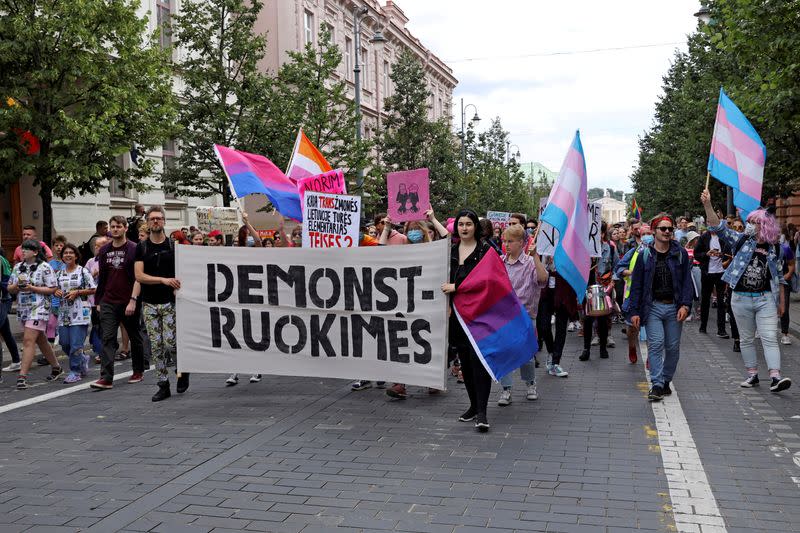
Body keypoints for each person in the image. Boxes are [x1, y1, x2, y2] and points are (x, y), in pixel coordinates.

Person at [700, 189, 791, 392]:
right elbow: (718, 226)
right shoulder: (741, 240)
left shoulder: (775, 248)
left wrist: (782, 304)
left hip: (765, 298)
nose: (750, 225)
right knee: (747, 338)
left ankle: (776, 377)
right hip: (740, 298)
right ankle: (752, 375)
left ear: (764, 225)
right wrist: (708, 205)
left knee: (769, 337)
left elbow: (779, 278)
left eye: (754, 222)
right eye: (749, 222)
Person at [628, 214, 693, 401]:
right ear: (654, 231)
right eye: (663, 229)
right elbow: (637, 286)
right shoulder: (644, 256)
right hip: (653, 307)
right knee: (655, 344)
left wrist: (685, 305)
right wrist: (634, 311)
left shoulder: (680, 254)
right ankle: (656, 384)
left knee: (672, 347)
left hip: (674, 307)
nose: (667, 232)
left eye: (670, 229)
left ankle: (665, 381)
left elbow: (686, 282)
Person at [441, 209, 493, 431]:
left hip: (479, 317)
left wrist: (458, 287)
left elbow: (488, 281)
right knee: (466, 365)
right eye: (460, 224)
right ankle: (473, 406)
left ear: (476, 227)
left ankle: (482, 412)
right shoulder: (450, 251)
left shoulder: (485, 251)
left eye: (468, 224)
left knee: (479, 363)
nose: (464, 228)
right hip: (457, 318)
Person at [135, 206, 187, 401]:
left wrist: (177, 285)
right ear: (148, 223)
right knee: (156, 347)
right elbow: (138, 275)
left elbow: (183, 271)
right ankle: (163, 384)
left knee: (170, 343)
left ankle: (182, 371)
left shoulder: (174, 246)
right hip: (149, 303)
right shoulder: (142, 247)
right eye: (152, 219)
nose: (155, 222)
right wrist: (163, 280)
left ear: (164, 221)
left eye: (159, 218)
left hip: (170, 302)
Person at [90, 216, 146, 390]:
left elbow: (138, 277)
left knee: (134, 335)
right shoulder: (105, 250)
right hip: (108, 300)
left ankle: (138, 370)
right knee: (107, 338)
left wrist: (133, 300)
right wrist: (98, 301)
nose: (115, 229)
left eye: (118, 226)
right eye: (112, 226)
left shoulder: (134, 248)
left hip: (128, 300)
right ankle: (106, 378)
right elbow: (103, 278)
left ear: (125, 228)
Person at [497, 224, 547, 406]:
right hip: (503, 316)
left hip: (525, 315)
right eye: (504, 241)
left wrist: (536, 257)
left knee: (526, 354)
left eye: (510, 241)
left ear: (521, 243)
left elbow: (542, 279)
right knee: (504, 353)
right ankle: (506, 388)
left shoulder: (529, 262)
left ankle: (530, 383)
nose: (506, 245)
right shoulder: (500, 262)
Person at [7, 240, 62, 389]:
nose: (22, 251)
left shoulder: (45, 267)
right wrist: (17, 286)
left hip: (39, 307)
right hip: (23, 307)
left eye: (26, 249)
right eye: (22, 249)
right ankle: (56, 367)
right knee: (41, 340)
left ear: (35, 252)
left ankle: (22, 376)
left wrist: (32, 287)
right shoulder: (18, 267)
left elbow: (52, 288)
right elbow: (10, 288)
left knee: (28, 340)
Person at [54, 243, 96, 383]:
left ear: (76, 256)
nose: (68, 255)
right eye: (65, 253)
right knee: (65, 343)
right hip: (64, 312)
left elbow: (93, 289)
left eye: (71, 253)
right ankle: (82, 359)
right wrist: (56, 291)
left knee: (76, 345)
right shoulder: (59, 273)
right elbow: (53, 289)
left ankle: (75, 371)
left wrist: (77, 292)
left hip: (80, 312)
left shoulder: (83, 272)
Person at [615, 224, 654, 364]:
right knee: (632, 327)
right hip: (633, 296)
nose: (647, 236)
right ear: (639, 236)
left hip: (651, 297)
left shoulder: (658, 252)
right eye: (644, 234)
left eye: (649, 233)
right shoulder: (633, 252)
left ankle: (651, 356)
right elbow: (619, 268)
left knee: (652, 327)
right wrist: (629, 272)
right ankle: (632, 347)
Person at [581, 221, 618, 361]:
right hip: (587, 287)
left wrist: (612, 281)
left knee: (603, 318)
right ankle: (586, 349)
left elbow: (616, 266)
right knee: (588, 318)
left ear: (603, 233)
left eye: (599, 232)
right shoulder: (584, 248)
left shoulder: (610, 248)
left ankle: (603, 347)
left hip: (602, 287)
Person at [694, 226, 733, 338]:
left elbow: (729, 254)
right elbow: (697, 254)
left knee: (721, 301)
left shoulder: (723, 237)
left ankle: (721, 330)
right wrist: (707, 254)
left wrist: (722, 255)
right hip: (707, 272)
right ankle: (703, 325)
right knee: (705, 300)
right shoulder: (704, 237)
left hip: (721, 272)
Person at [0, 246, 21, 375]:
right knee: (5, 331)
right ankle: (16, 360)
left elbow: (7, 283)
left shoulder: (1, 260)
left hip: (3, 300)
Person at [85, 236, 107, 361]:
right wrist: (93, 274)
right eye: (96, 246)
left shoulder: (109, 260)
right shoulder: (91, 261)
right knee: (97, 325)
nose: (98, 248)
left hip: (107, 299)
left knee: (106, 326)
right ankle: (99, 349)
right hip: (94, 300)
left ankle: (105, 350)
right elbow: (85, 279)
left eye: (101, 246)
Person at [779, 226, 795, 345]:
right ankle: (760, 329)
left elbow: (791, 265)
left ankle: (785, 333)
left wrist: (788, 274)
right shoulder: (767, 247)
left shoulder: (786, 248)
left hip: (783, 282)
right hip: (770, 282)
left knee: (785, 308)